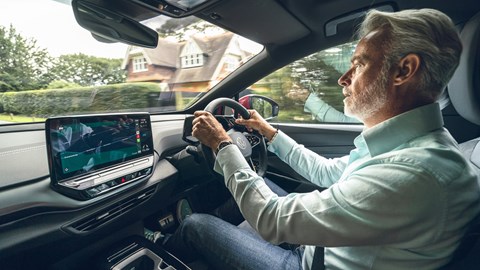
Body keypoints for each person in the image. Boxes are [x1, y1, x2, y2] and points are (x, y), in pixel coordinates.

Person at [164, 8, 480, 269]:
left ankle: (158, 244)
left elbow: (271, 220)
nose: (343, 78)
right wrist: (270, 134)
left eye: (359, 64)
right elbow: (328, 173)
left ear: (404, 70)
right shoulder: (413, 147)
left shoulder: (414, 173)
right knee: (253, 185)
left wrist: (223, 145)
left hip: (313, 263)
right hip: (324, 246)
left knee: (196, 227)